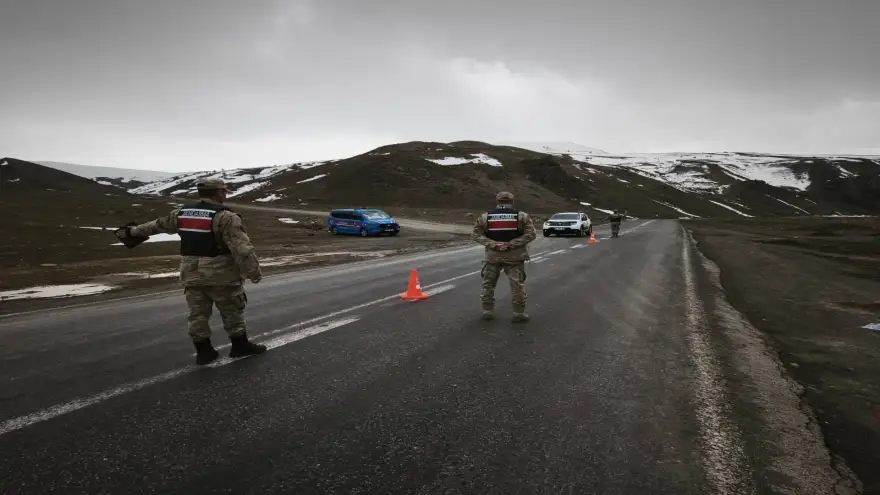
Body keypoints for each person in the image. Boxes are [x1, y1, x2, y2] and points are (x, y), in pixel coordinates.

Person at [115, 177, 266, 365]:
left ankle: (204, 352)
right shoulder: (226, 217)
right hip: (221, 274)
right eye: (224, 191)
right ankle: (240, 346)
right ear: (219, 192)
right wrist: (253, 272)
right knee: (232, 310)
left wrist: (131, 232)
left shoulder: (182, 213)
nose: (225, 193)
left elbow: (156, 226)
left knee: (198, 314)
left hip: (191, 273)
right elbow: (242, 248)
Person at [472, 191, 537, 322]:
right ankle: (519, 314)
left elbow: (476, 234)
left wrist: (494, 244)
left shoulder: (485, 217)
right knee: (517, 286)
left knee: (488, 284)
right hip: (515, 257)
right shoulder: (521, 216)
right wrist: (511, 244)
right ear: (512, 201)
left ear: (497, 201)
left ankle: (487, 311)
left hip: (493, 256)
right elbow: (531, 234)